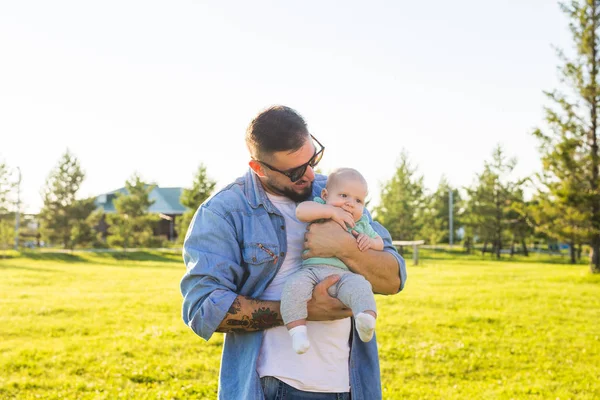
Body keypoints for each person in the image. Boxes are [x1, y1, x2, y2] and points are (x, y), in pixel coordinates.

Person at [180, 105, 407, 400]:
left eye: (313, 158)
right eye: (296, 170)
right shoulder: (224, 212)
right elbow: (203, 308)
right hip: (273, 387)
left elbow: (393, 279)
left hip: (351, 384)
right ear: (258, 168)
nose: (311, 175)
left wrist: (343, 248)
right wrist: (301, 311)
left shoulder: (338, 193)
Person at [282, 167, 382, 354]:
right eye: (344, 195)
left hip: (343, 276)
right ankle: (297, 332)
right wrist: (330, 211)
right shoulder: (321, 208)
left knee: (361, 287)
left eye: (358, 200)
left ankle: (366, 319)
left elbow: (380, 243)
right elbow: (301, 211)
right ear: (325, 195)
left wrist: (370, 241)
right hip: (312, 272)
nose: (350, 204)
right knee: (293, 288)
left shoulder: (361, 223)